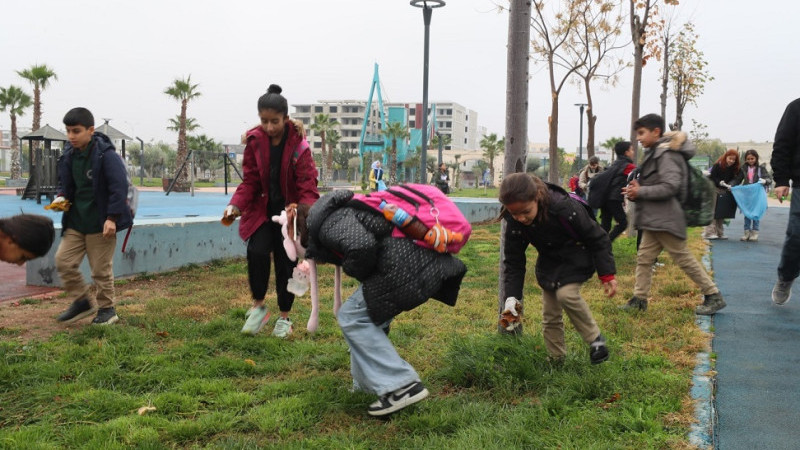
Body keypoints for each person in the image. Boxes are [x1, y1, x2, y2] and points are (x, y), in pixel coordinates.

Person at [304, 189, 468, 416]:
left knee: (352, 317)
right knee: (369, 319)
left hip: (404, 263)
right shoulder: (344, 211)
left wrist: (354, 269)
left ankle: (401, 385)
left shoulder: (328, 222)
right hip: (416, 259)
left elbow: (361, 246)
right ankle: (366, 387)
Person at [222, 84, 319, 337]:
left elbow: (308, 184)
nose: (269, 127)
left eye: (274, 121)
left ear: (286, 119)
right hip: (262, 213)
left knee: (286, 263)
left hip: (290, 217)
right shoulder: (254, 143)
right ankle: (258, 308)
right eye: (264, 121)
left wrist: (303, 210)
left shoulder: (300, 147)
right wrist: (235, 205)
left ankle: (284, 318)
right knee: (256, 252)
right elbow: (250, 181)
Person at [499, 173, 615, 364]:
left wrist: (607, 274)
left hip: (578, 254)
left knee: (566, 294)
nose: (520, 218)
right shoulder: (514, 220)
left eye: (526, 212)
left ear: (536, 197)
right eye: (514, 214)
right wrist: (512, 298)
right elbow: (513, 261)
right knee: (550, 313)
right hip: (550, 261)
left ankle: (596, 341)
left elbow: (598, 237)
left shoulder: (563, 207)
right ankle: (556, 358)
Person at [621, 114, 726, 315]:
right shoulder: (656, 153)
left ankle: (713, 295)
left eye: (642, 133)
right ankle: (639, 299)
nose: (638, 138)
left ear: (656, 132)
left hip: (666, 218)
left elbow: (670, 186)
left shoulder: (667, 155)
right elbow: (656, 184)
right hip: (655, 219)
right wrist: (637, 191)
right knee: (644, 258)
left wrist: (641, 191)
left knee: (683, 258)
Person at [49, 107, 133, 325]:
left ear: (90, 130)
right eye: (68, 131)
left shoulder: (106, 155)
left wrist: (112, 218)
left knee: (100, 270)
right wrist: (60, 197)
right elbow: (65, 184)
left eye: (76, 131)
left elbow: (119, 187)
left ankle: (107, 309)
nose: (70, 136)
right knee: (63, 260)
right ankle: (81, 302)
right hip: (76, 222)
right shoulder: (68, 154)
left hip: (101, 223)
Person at [770, 98, 800, 305]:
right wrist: (781, 180)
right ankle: (786, 277)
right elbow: (782, 144)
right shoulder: (796, 108)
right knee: (796, 237)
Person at [598, 142, 637, 241]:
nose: (633, 152)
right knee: (623, 223)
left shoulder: (614, 164)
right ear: (626, 152)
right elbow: (638, 176)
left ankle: (595, 248)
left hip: (604, 197)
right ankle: (605, 244)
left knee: (605, 226)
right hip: (613, 199)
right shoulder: (628, 166)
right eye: (631, 150)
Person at [734, 149, 772, 242]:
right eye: (748, 159)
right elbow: (738, 179)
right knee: (747, 213)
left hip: (757, 194)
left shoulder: (761, 168)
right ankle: (746, 233)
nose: (750, 160)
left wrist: (765, 181)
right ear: (745, 159)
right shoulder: (743, 168)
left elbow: (768, 178)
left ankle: (755, 233)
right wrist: (731, 185)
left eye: (752, 158)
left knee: (756, 213)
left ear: (756, 158)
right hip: (747, 194)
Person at [702, 149, 741, 240]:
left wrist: (729, 185)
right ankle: (709, 232)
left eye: (733, 160)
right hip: (713, 189)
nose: (731, 161)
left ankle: (720, 232)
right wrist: (720, 182)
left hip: (724, 190)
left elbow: (736, 178)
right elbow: (712, 177)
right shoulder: (718, 165)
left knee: (721, 211)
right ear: (726, 157)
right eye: (730, 158)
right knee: (712, 211)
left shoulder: (734, 169)